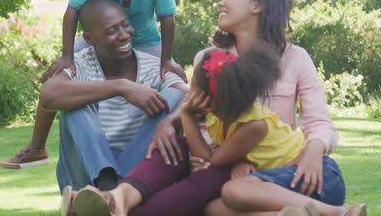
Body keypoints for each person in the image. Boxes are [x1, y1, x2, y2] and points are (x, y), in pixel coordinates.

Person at [0, 0, 185, 169]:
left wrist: (167, 59)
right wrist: (66, 56)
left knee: (178, 83)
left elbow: (167, 17)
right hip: (103, 36)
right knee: (55, 77)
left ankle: (174, 152)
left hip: (145, 38)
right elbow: (73, 11)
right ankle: (37, 147)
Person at [190, 0, 365, 215]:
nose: (221, 2)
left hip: (301, 173)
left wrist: (314, 151)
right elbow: (204, 124)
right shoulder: (209, 60)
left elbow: (319, 122)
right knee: (215, 210)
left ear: (257, 6)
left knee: (232, 196)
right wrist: (236, 157)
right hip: (250, 181)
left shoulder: (296, 57)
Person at [66, 44, 286, 216]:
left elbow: (212, 160)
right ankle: (119, 196)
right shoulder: (225, 86)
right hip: (212, 162)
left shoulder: (251, 120)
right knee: (176, 145)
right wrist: (177, 121)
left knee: (214, 173)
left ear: (212, 103)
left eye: (194, 91)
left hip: (245, 176)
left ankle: (109, 206)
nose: (189, 95)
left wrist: (188, 115)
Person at [11, 0, 188, 192]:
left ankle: (114, 191)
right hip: (84, 179)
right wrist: (122, 87)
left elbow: (190, 94)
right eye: (111, 31)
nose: (123, 35)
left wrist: (170, 120)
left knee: (175, 95)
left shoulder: (154, 68)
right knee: (73, 101)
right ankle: (105, 181)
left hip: (137, 173)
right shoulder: (80, 64)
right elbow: (49, 94)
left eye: (125, 25)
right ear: (89, 39)